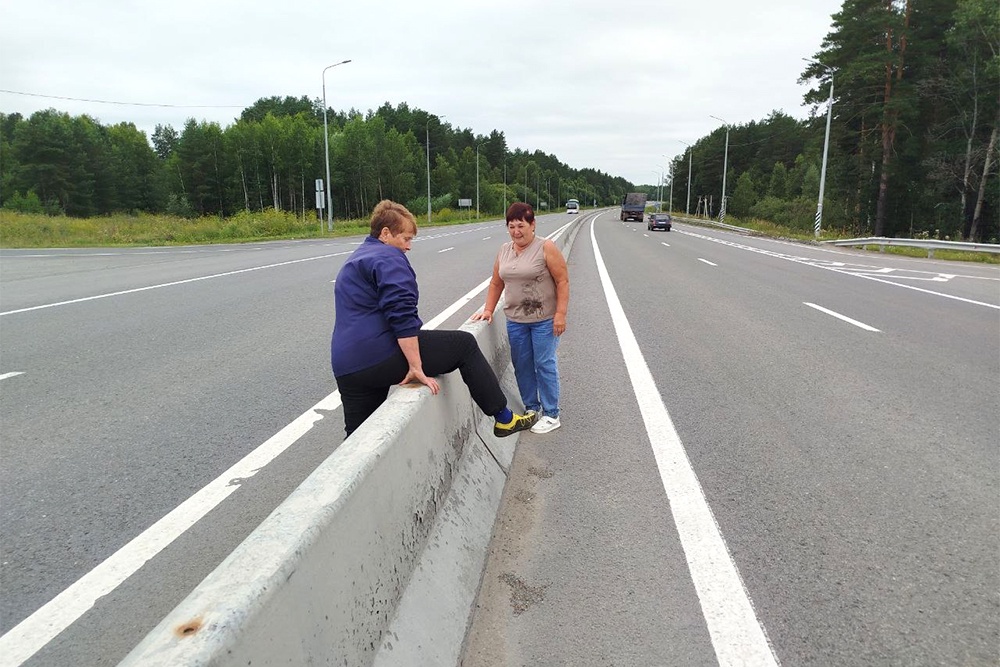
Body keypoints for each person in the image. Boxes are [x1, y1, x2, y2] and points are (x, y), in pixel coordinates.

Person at [331, 199, 537, 438]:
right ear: (385, 233)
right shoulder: (388, 257)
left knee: (358, 437)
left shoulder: (359, 256)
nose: (408, 247)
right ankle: (504, 419)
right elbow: (402, 315)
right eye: (406, 239)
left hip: (346, 365)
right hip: (379, 355)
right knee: (464, 345)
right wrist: (416, 366)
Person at [471, 202, 569, 434]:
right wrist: (488, 309)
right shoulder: (504, 250)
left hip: (544, 319)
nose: (516, 231)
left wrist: (560, 314)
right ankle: (531, 408)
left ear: (532, 225)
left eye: (521, 225)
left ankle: (552, 413)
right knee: (522, 365)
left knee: (544, 364)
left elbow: (562, 281)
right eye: (512, 226)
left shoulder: (546, 247)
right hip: (515, 320)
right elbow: (497, 282)